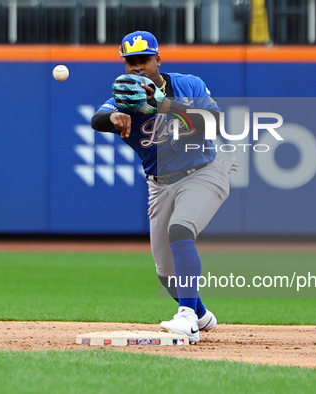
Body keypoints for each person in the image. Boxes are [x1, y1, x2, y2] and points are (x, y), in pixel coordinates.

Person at [91, 31, 236, 344]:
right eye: (132, 62)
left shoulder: (188, 84)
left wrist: (164, 104)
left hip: (203, 172)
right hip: (159, 184)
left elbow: (214, 122)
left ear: (158, 59)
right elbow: (97, 118)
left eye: (144, 60)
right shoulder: (124, 97)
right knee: (164, 272)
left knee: (180, 229)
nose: (138, 67)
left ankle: (187, 317)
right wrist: (114, 115)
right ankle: (200, 312)